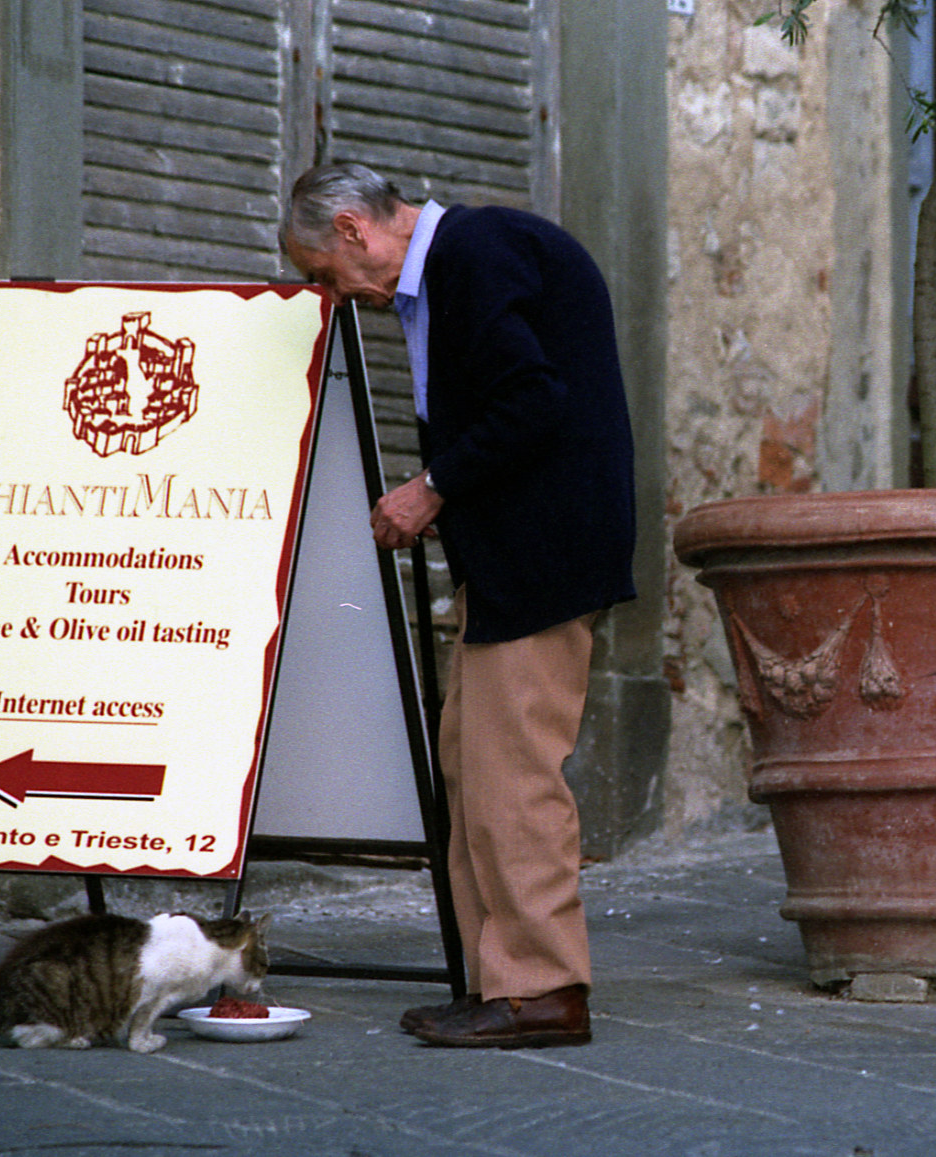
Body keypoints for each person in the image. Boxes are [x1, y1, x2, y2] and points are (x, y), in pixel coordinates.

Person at [280, 162, 636, 1048]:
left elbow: (532, 397)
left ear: (356, 230)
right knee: (474, 762)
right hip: (519, 555)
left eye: (323, 272)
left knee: (512, 773)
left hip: (543, 554)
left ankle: (543, 988)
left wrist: (430, 487)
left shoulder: (476, 252)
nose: (333, 294)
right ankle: (499, 981)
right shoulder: (458, 264)